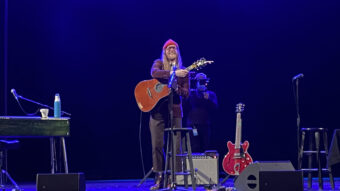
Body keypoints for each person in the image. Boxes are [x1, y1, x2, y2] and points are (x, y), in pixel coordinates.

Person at [149, 39, 189, 190]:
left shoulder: (184, 71)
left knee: (176, 146)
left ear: (178, 52)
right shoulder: (158, 63)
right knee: (157, 145)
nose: (172, 50)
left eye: (174, 48)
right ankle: (159, 177)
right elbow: (154, 73)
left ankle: (173, 178)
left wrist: (176, 88)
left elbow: (186, 94)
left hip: (175, 111)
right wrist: (173, 73)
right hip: (157, 110)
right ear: (164, 52)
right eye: (169, 48)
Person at [184, 72, 218, 153]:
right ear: (196, 83)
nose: (203, 84)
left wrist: (208, 99)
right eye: (200, 82)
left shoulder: (211, 94)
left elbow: (215, 108)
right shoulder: (191, 93)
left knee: (206, 146)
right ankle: (193, 165)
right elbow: (185, 105)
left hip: (205, 126)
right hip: (194, 126)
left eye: (204, 82)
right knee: (195, 145)